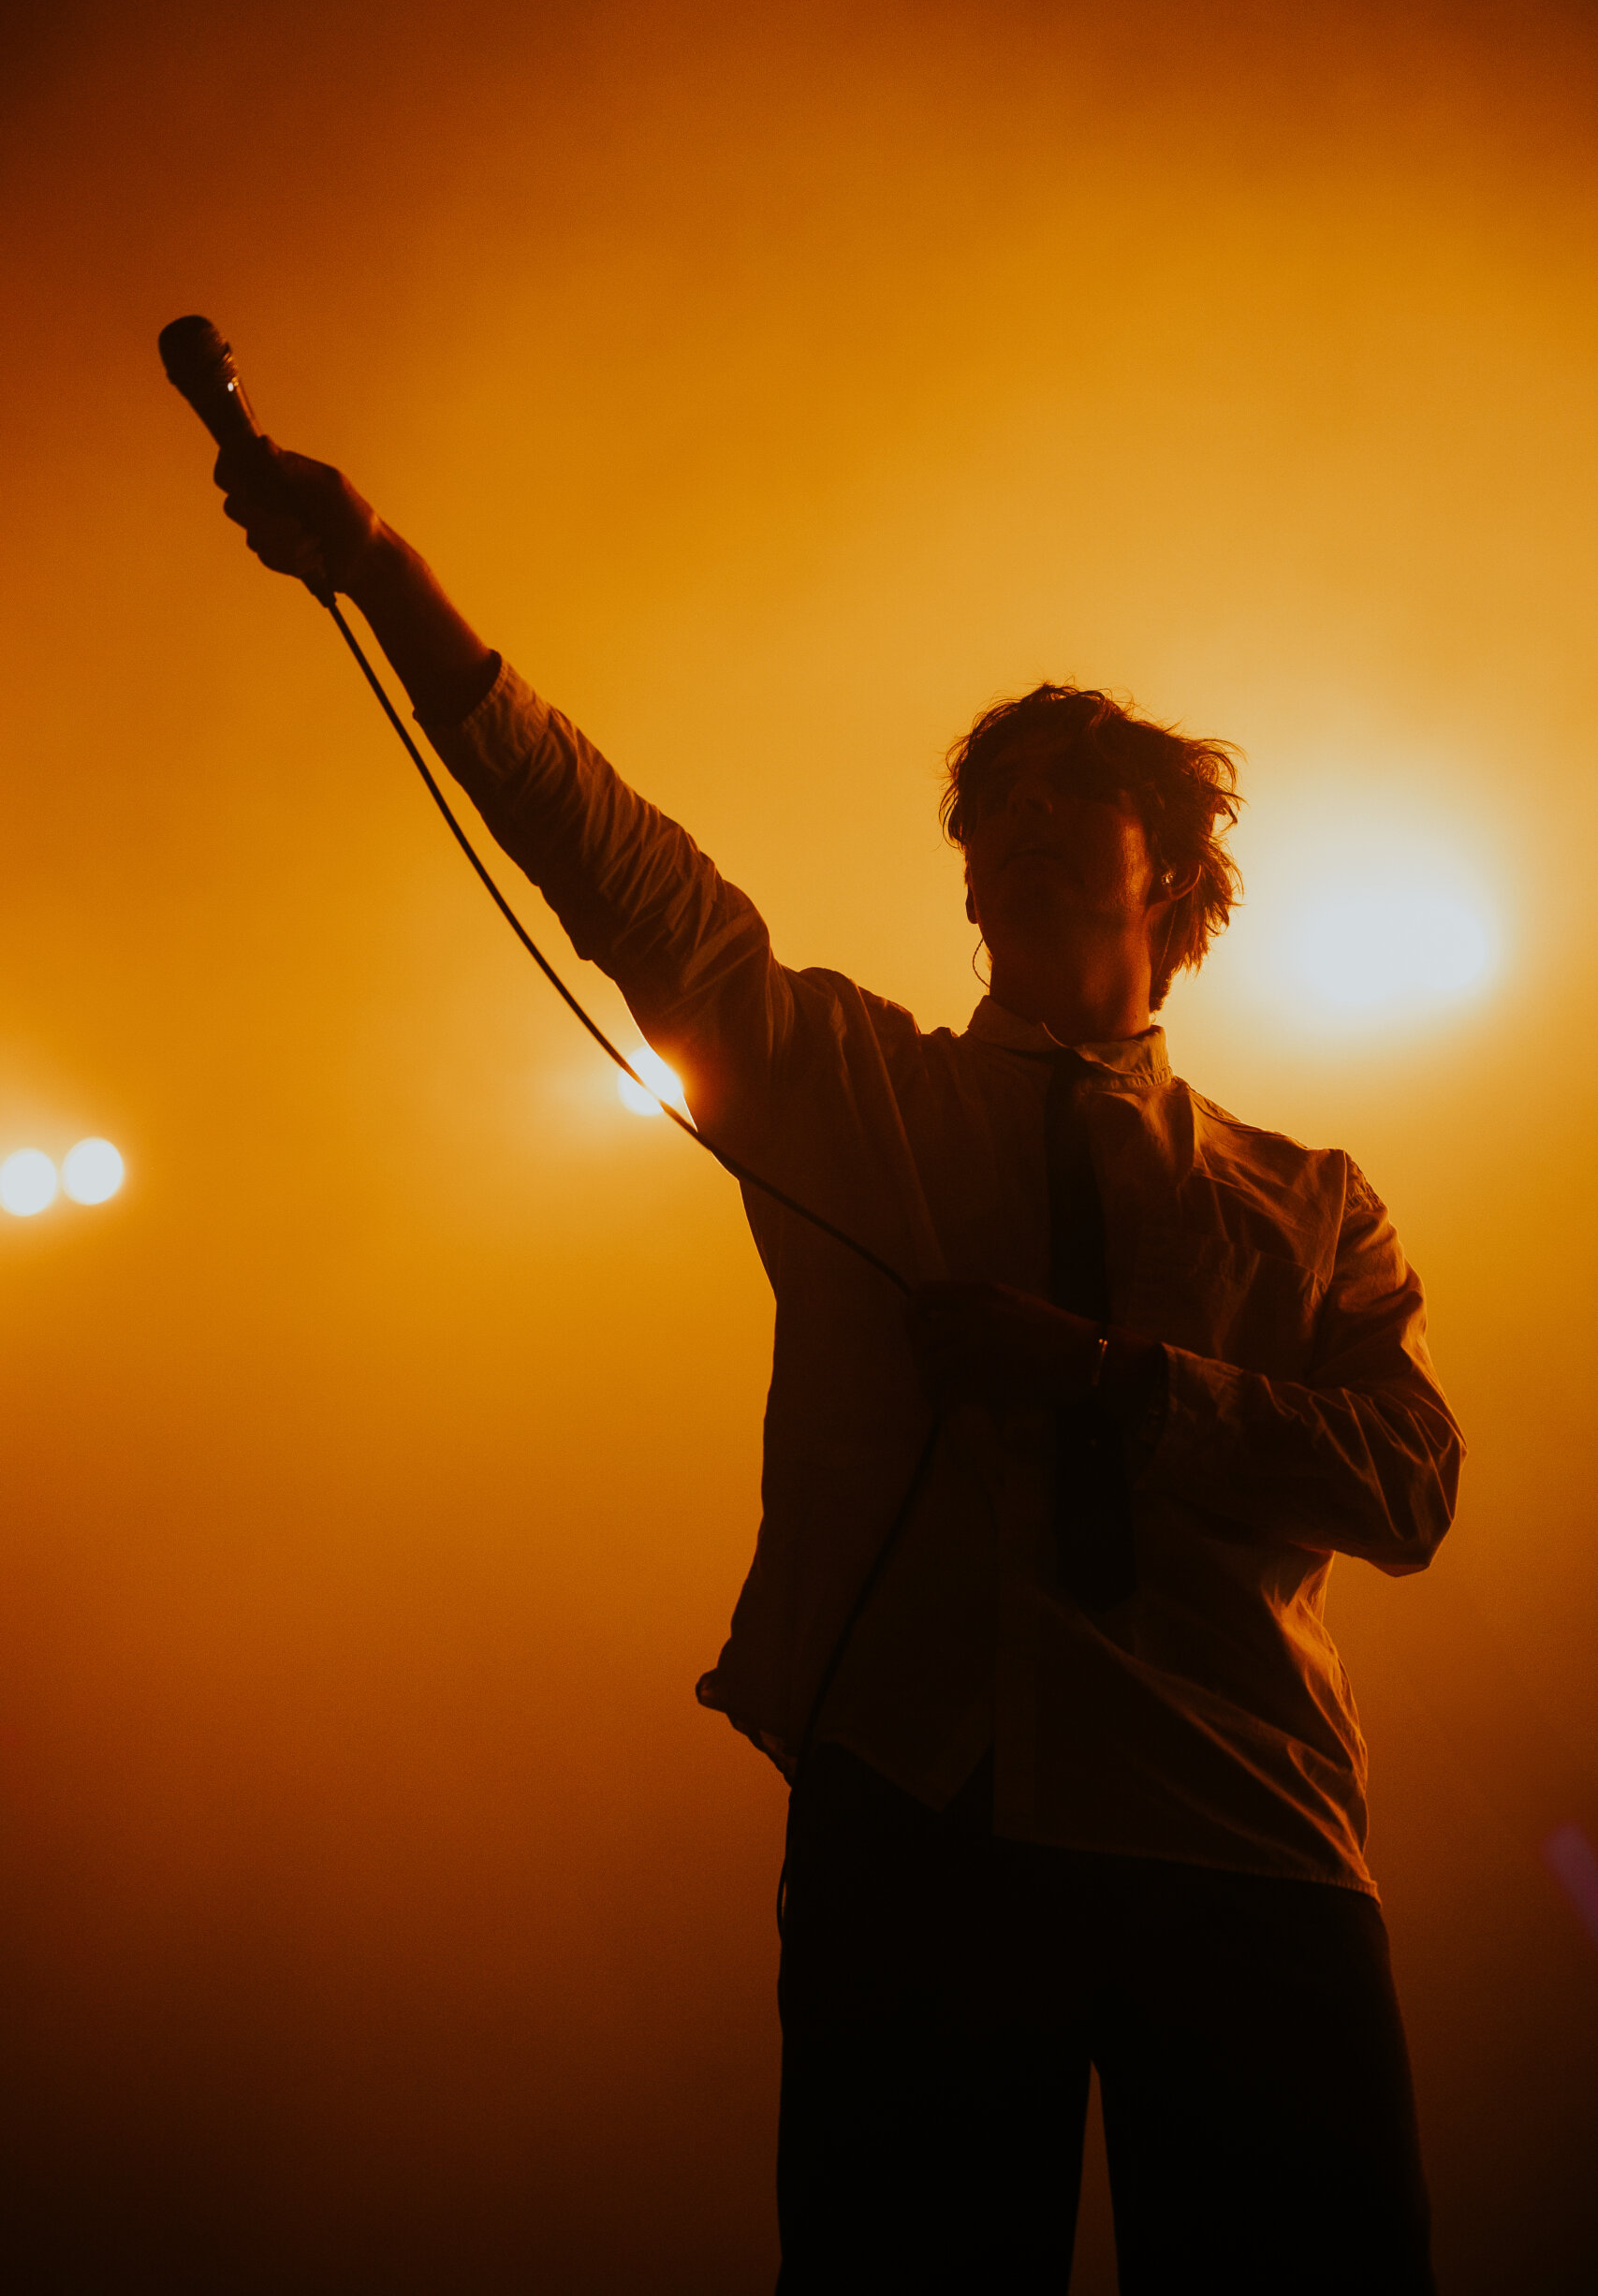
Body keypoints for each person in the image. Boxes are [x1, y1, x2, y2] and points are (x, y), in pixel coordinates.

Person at [216, 441, 1462, 2292]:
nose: (1022, 817)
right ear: (965, 891)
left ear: (1178, 874)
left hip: (1245, 1829)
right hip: (922, 1814)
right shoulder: (846, 1085)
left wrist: (1110, 1375)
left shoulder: (1310, 1196)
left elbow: (1411, 1486)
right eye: (994, 805)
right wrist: (391, 571)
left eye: (1072, 794)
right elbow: (618, 864)